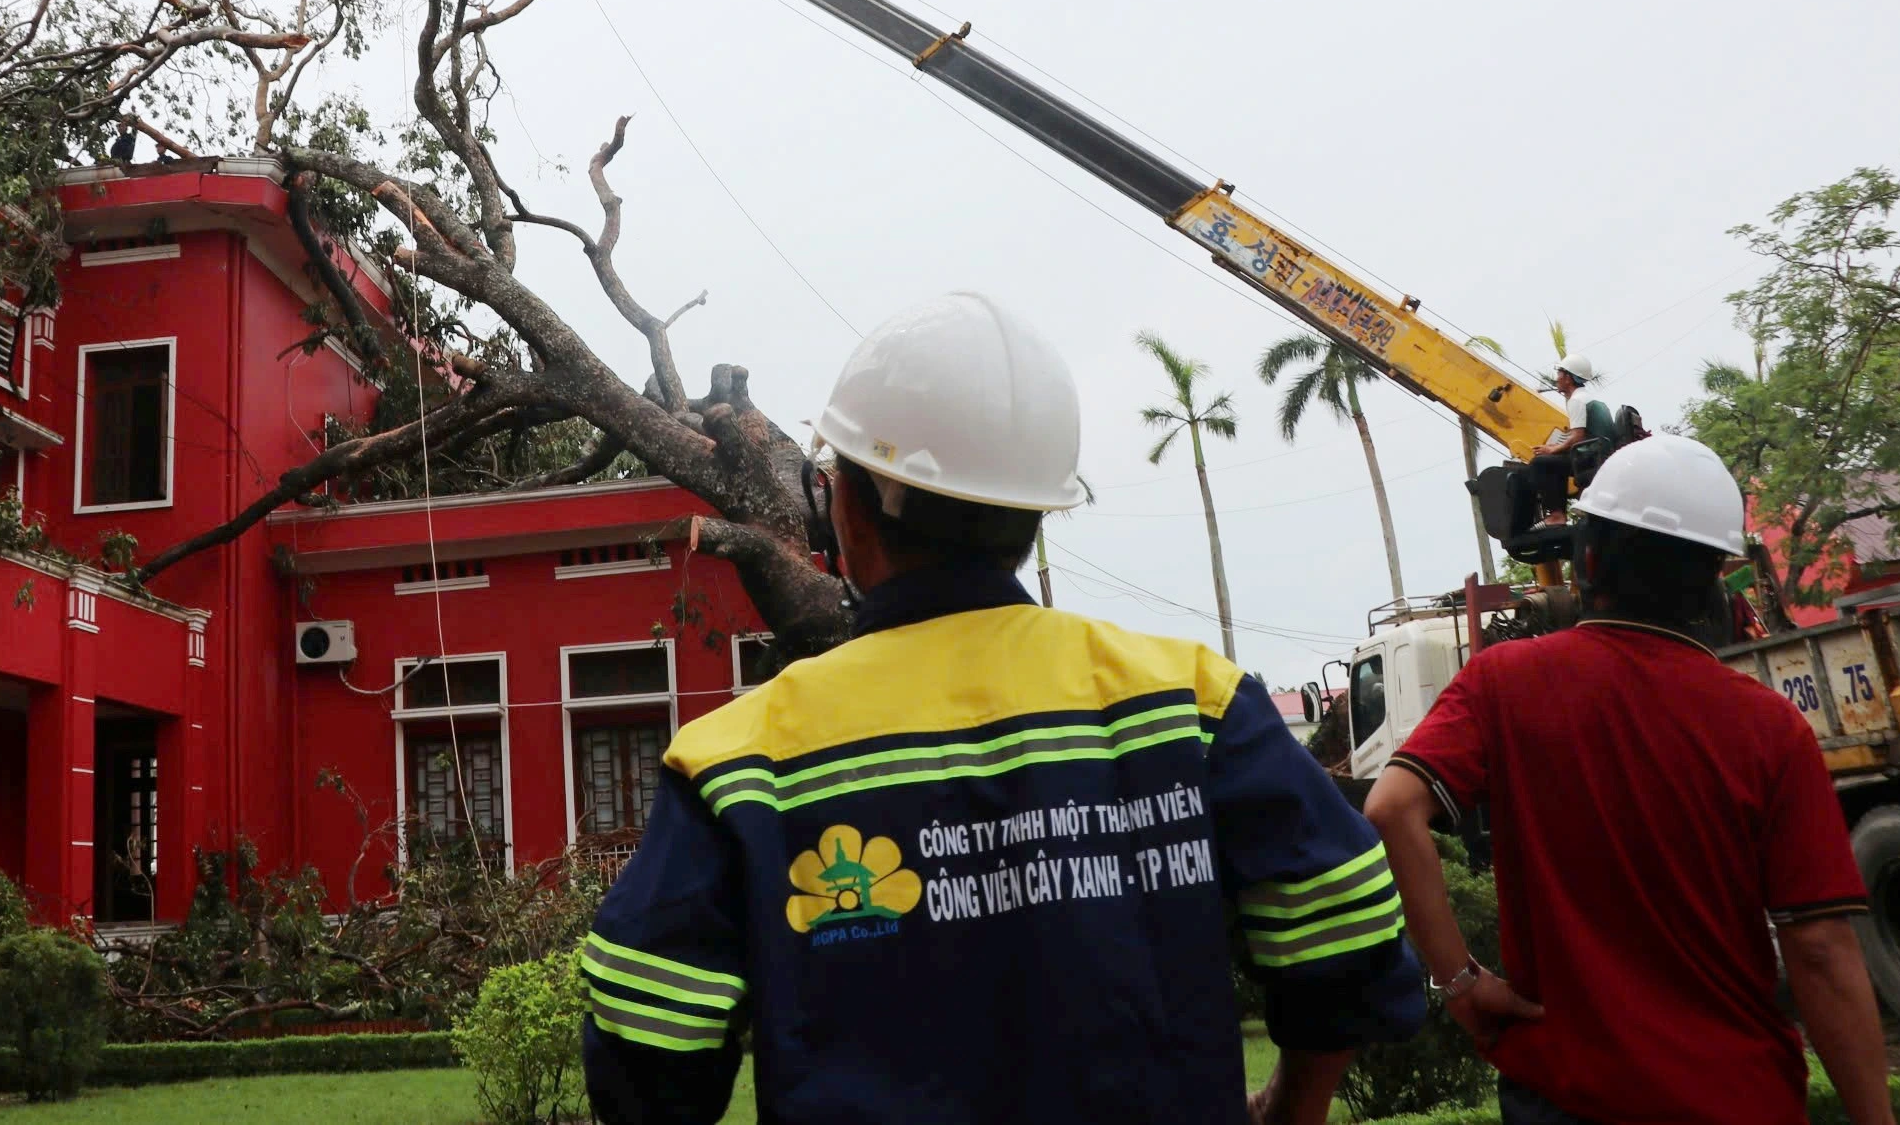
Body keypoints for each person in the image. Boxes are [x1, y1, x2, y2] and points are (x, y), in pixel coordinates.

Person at [582, 293, 1425, 1125]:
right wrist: (1289, 1108)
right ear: (1032, 512)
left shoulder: (740, 759)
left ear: (844, 504)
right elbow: (1347, 935)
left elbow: (647, 1047)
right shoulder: (1193, 704)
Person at [1362, 433, 1891, 1125]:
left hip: (1561, 1096)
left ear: (1586, 556)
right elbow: (1820, 949)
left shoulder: (1504, 680)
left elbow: (1391, 807)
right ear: (1713, 574)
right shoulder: (1771, 728)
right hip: (1735, 1097)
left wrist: (1459, 981)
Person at [1523, 355, 1601, 526]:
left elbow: (1578, 436)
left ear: (1568, 377)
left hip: (1589, 458)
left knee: (1540, 463)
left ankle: (1557, 515)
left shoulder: (1577, 401)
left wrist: (1552, 449)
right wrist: (1557, 447)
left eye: (1559, 373)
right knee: (1553, 462)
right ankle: (1559, 514)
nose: (1556, 378)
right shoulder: (1586, 398)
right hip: (1595, 454)